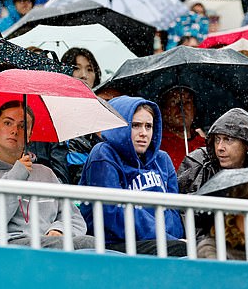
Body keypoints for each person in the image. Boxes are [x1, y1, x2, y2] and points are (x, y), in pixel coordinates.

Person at [0, 100, 95, 249]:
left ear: (30, 135)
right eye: (8, 123)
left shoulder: (46, 174)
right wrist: (16, 176)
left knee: (91, 244)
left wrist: (58, 229)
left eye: (23, 126)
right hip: (7, 248)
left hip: (49, 246)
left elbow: (74, 218)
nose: (15, 130)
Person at [79, 96, 187, 256]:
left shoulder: (162, 159)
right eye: (135, 125)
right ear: (120, 126)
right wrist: (167, 240)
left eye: (148, 126)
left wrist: (171, 239)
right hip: (113, 245)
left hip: (162, 243)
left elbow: (173, 212)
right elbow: (114, 214)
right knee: (185, 250)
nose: (143, 133)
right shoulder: (103, 154)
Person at [177, 108, 248, 195]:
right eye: (217, 139)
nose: (219, 147)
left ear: (247, 144)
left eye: (228, 140)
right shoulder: (198, 164)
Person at [59, 47, 103, 183]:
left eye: (89, 69)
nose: (84, 75)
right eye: (76, 68)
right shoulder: (56, 110)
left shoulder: (103, 112)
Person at [158, 86, 205, 170]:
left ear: (194, 109)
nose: (181, 107)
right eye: (174, 102)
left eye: (187, 102)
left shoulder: (204, 143)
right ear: (163, 112)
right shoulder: (158, 145)